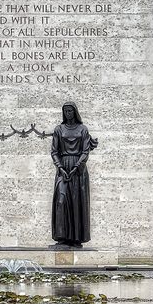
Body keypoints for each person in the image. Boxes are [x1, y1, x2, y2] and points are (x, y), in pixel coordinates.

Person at [51, 102, 97, 248]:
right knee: (61, 200)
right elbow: (54, 151)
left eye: (70, 111)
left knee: (77, 202)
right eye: (65, 111)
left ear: (75, 112)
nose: (68, 113)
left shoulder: (83, 129)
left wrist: (77, 166)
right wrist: (61, 168)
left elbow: (85, 151)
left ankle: (76, 239)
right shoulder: (59, 129)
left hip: (79, 170)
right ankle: (62, 236)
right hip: (63, 167)